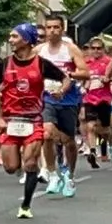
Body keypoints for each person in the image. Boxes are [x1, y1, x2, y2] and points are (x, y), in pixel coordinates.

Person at [0, 24, 65, 220]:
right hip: (10, 120)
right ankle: (19, 170)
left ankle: (25, 204)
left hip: (33, 119)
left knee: (31, 163)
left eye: (15, 36)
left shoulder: (41, 64)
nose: (10, 40)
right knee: (10, 167)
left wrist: (61, 91)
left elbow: (65, 78)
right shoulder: (5, 64)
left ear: (26, 40)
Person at [37, 13, 88, 197]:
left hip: (68, 99)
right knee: (47, 133)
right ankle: (52, 174)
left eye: (56, 27)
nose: (52, 31)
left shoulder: (70, 49)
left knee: (68, 141)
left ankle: (69, 175)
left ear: (62, 28)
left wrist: (69, 75)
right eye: (49, 27)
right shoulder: (39, 51)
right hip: (47, 98)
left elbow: (85, 72)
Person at [81, 36, 112, 169]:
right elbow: (82, 78)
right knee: (90, 126)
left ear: (103, 49)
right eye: (93, 48)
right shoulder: (86, 63)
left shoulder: (108, 61)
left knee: (105, 130)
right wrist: (84, 84)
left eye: (99, 48)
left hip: (104, 99)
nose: (96, 51)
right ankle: (93, 152)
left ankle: (105, 144)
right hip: (90, 99)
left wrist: (107, 79)